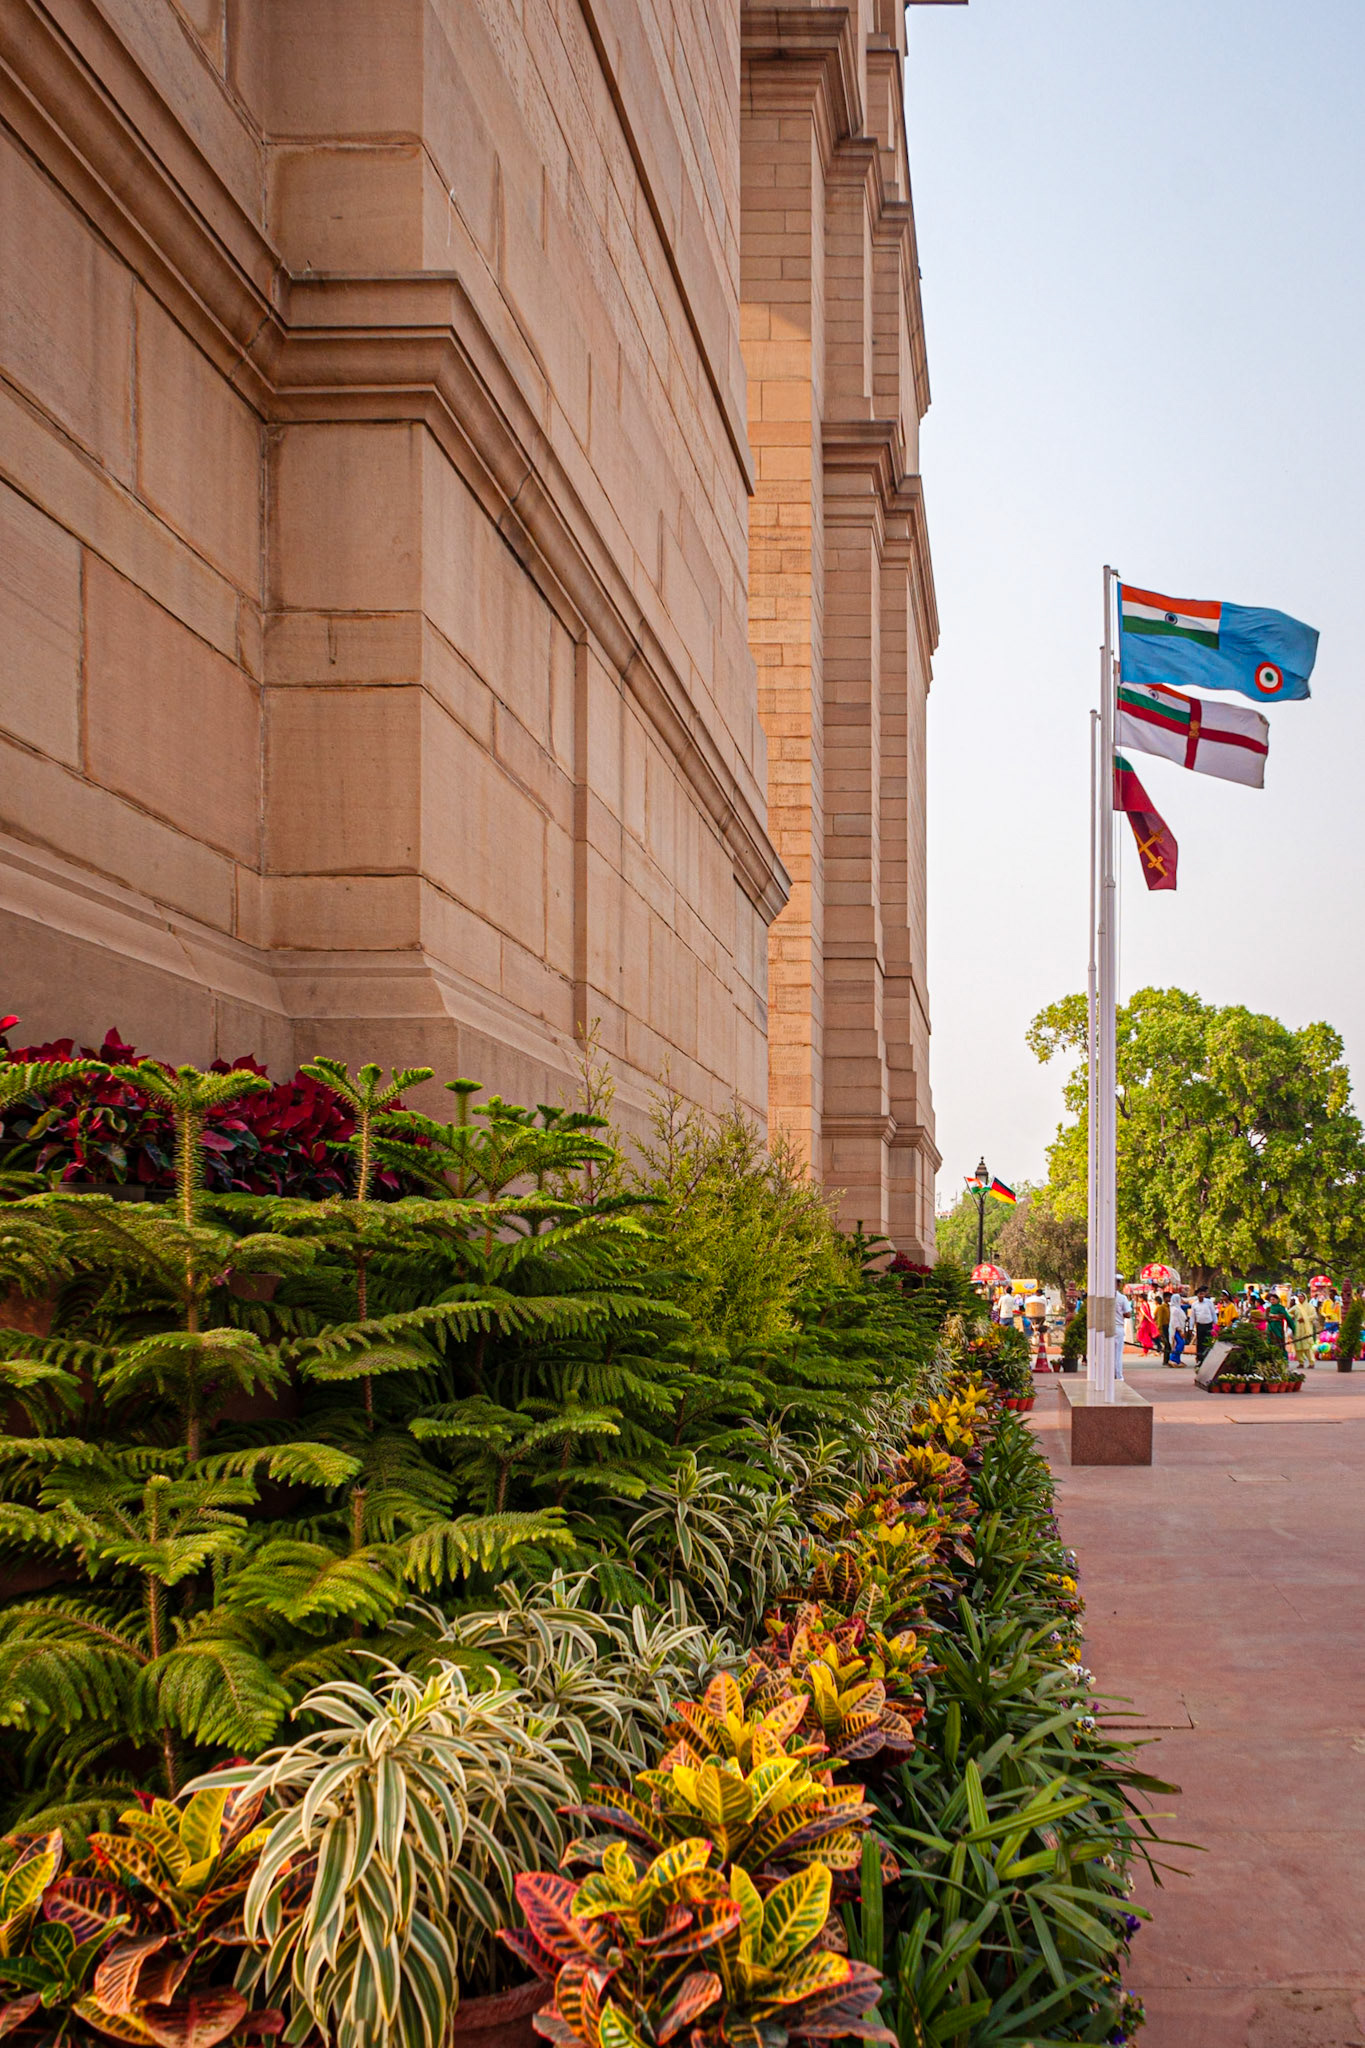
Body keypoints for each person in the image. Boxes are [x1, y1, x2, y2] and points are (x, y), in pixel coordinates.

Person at [1292, 1291, 1318, 1372]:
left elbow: (1314, 1316)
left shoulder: (1310, 1307)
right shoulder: (1296, 1307)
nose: (1300, 1298)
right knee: (1298, 1347)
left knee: (1307, 1347)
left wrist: (1305, 1318)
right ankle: (1301, 1362)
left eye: (1301, 1297)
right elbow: (1289, 1314)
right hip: (1298, 1329)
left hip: (1306, 1329)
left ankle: (1311, 1362)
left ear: (1305, 1297)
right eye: (1299, 1297)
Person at [1192, 1286, 1217, 1363]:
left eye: (1202, 1294)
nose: (1201, 1296)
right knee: (1200, 1342)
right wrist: (1190, 1327)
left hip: (1208, 1325)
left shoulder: (1209, 1303)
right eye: (1199, 1294)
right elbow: (1193, 1317)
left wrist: (1216, 1324)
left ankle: (1207, 1357)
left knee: (1208, 1341)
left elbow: (1213, 1314)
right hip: (1200, 1325)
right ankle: (1199, 1358)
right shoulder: (1194, 1304)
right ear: (1197, 1295)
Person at [1168, 1293, 1189, 1365]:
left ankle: (1177, 1360)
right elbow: (1175, 1321)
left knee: (1180, 1344)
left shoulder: (1178, 1308)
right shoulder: (1174, 1309)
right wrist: (1179, 1330)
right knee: (1180, 1344)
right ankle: (1173, 1359)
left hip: (1180, 1328)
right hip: (1176, 1330)